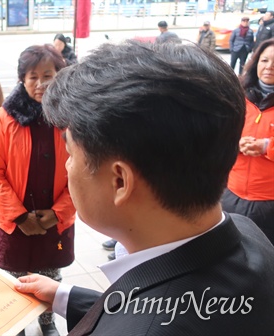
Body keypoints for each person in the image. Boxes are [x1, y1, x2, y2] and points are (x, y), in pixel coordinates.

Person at [15, 40, 274, 335]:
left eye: (71, 154)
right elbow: (160, 305)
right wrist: (65, 297)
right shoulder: (249, 236)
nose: (66, 167)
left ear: (120, 182)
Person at [0, 44, 75, 336]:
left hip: (54, 220)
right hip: (14, 222)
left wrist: (57, 214)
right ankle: (17, 325)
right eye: (32, 76)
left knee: (49, 274)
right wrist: (21, 217)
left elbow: (83, 171)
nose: (40, 84)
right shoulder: (5, 117)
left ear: (59, 75)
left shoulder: (72, 117)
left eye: (47, 75)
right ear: (22, 79)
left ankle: (47, 323)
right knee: (13, 276)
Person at [221, 38, 274, 244]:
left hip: (269, 201)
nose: (269, 67)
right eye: (264, 60)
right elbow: (219, 133)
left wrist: (266, 146)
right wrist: (236, 143)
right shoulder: (236, 96)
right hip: (231, 194)